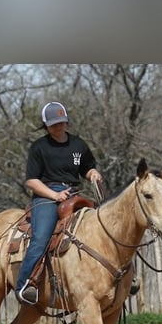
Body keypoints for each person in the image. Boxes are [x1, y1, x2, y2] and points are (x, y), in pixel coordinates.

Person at [15, 101, 104, 305]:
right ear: (45, 125)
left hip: (75, 192)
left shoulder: (78, 145)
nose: (59, 126)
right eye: (54, 124)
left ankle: (120, 278)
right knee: (41, 237)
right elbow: (31, 180)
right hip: (47, 195)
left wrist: (93, 174)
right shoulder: (39, 147)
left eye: (62, 122)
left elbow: (87, 168)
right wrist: (54, 196)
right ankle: (25, 285)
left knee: (104, 226)